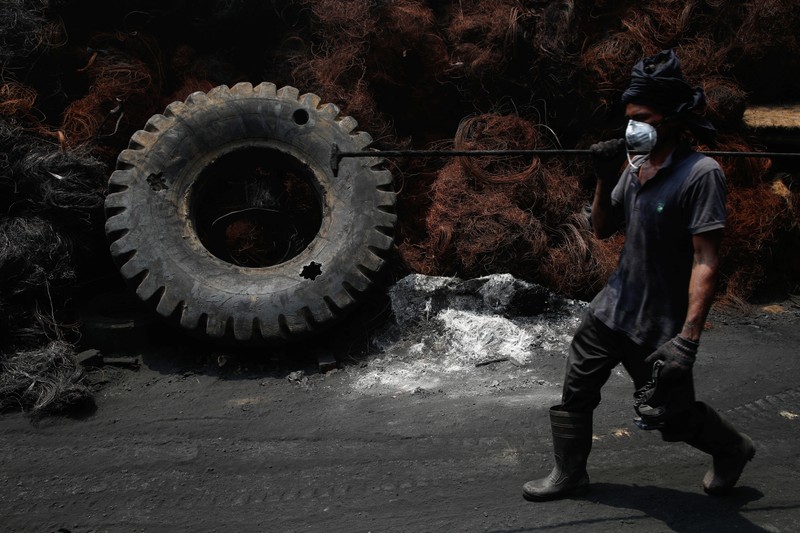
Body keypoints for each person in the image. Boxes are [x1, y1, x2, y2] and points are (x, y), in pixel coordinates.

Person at [522, 49, 755, 502]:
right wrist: (602, 176)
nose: (632, 127)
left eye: (642, 117)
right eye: (629, 118)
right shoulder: (634, 166)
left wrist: (687, 341)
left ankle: (732, 448)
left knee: (674, 417)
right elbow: (604, 228)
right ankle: (570, 473)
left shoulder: (701, 175)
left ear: (670, 118)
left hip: (657, 326)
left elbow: (706, 259)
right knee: (577, 390)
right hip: (612, 308)